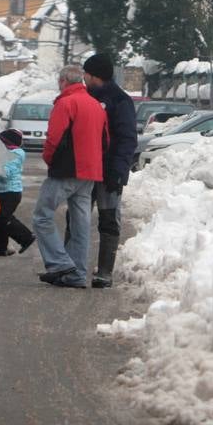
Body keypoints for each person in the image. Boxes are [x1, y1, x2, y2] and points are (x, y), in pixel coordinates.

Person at [34, 64, 108, 289]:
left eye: (59, 81)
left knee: (42, 215)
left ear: (64, 81)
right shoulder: (96, 105)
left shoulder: (65, 103)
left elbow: (53, 138)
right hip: (90, 172)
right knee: (81, 224)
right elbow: (105, 141)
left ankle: (60, 263)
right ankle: (77, 274)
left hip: (66, 170)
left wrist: (49, 159)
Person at [81, 53, 137, 288]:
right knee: (76, 218)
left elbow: (127, 139)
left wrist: (118, 171)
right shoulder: (83, 98)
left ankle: (104, 272)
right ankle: (68, 266)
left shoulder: (120, 101)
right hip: (84, 170)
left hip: (108, 172)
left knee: (108, 219)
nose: (83, 77)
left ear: (95, 76)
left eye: (86, 74)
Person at [0, 129, 35, 256]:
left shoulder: (17, 154)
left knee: (3, 217)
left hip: (10, 192)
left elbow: (6, 171)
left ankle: (26, 237)